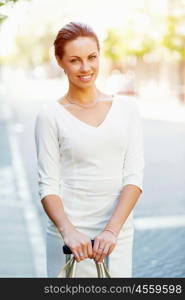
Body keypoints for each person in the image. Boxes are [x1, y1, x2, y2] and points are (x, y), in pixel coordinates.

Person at [34, 21, 145, 278]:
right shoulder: (50, 115)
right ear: (60, 61)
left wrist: (111, 231)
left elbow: (134, 176)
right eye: (75, 60)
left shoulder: (128, 110)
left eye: (92, 57)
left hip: (116, 233)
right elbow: (48, 184)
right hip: (70, 237)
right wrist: (68, 231)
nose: (86, 68)